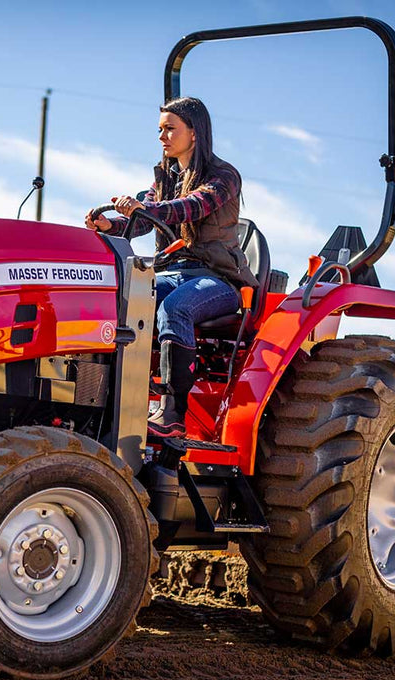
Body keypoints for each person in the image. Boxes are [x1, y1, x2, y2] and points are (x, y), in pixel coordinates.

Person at [85, 96, 256, 438]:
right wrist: (111, 226)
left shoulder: (223, 177)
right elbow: (144, 222)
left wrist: (142, 210)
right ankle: (107, 398)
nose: (161, 136)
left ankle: (173, 411)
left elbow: (191, 207)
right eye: (159, 129)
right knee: (121, 299)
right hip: (172, 272)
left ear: (194, 133)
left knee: (174, 308)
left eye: (169, 129)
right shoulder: (164, 176)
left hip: (219, 278)